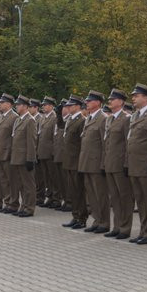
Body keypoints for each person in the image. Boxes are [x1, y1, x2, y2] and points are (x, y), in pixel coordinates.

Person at [127, 84, 147, 244]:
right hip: (134, 166)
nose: (133, 98)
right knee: (140, 201)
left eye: (137, 95)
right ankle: (143, 230)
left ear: (146, 98)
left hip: (146, 166)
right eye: (133, 95)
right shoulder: (134, 116)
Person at [102, 89, 132, 239]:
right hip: (110, 163)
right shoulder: (109, 119)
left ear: (120, 102)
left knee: (124, 197)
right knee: (114, 197)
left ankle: (125, 228)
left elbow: (128, 142)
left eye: (113, 99)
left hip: (120, 164)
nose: (110, 102)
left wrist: (126, 163)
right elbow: (106, 143)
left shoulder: (126, 118)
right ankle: (117, 226)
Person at [79, 90, 108, 233]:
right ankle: (97, 220)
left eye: (89, 101)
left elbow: (104, 144)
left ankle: (104, 222)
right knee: (91, 195)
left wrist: (103, 164)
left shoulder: (103, 118)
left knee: (100, 194)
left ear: (97, 102)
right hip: (87, 163)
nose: (87, 103)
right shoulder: (89, 118)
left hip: (96, 163)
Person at [61, 95, 87, 229]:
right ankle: (75, 215)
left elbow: (82, 144)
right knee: (72, 191)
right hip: (69, 161)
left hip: (76, 161)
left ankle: (82, 218)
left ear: (77, 106)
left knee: (79, 191)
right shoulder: (70, 120)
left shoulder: (82, 120)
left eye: (71, 105)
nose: (68, 108)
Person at [10, 95, 38, 217]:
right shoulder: (18, 120)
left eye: (18, 104)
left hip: (25, 158)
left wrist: (30, 159)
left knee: (28, 185)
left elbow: (31, 142)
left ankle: (29, 208)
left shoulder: (30, 120)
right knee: (20, 184)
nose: (16, 106)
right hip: (17, 157)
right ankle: (23, 205)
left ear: (25, 106)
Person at [0, 94, 17, 212]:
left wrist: (10, 153)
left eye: (2, 103)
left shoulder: (14, 117)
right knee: (3, 180)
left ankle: (13, 204)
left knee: (11, 181)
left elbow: (14, 138)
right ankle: (7, 202)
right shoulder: (0, 117)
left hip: (7, 154)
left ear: (8, 104)